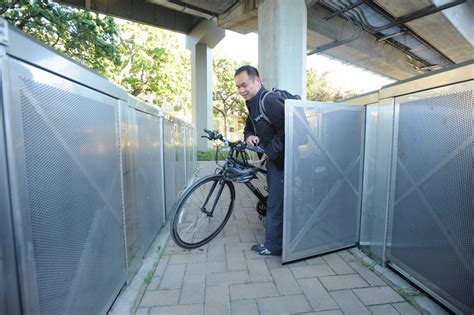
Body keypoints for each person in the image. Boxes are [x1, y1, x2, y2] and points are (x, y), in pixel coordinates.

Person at [234, 65, 285, 256]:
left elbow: (287, 130)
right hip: (273, 159)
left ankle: (274, 246)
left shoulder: (270, 100)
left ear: (257, 81)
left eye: (244, 85)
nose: (241, 90)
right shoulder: (252, 103)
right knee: (276, 199)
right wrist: (249, 137)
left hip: (283, 160)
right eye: (238, 87)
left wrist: (270, 152)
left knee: (275, 203)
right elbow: (249, 126)